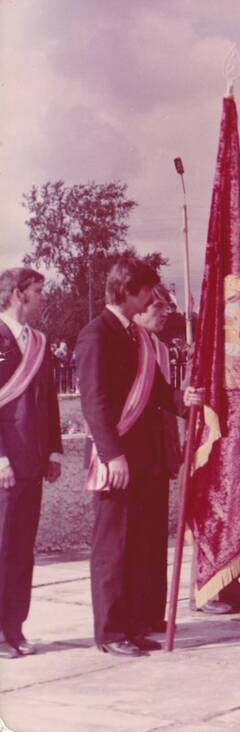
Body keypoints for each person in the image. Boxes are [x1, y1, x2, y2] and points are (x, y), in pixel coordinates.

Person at [77, 257, 203, 657]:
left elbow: (159, 393)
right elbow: (94, 402)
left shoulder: (137, 337)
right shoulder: (97, 334)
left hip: (144, 459)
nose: (152, 297)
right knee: (113, 547)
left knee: (136, 547)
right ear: (128, 291)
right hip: (116, 459)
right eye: (147, 291)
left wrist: (186, 401)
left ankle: (131, 625)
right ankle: (110, 632)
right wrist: (112, 455)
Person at [0, 268, 62, 659]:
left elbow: (49, 400)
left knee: (23, 549)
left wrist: (54, 450)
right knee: (1, 548)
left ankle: (14, 629)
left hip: (34, 462)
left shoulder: (39, 342)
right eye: (38, 291)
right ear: (18, 294)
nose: (43, 297)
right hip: (5, 465)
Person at [131, 284, 183, 635]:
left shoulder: (161, 348)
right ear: (137, 310)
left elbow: (166, 400)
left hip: (160, 454)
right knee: (136, 543)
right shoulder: (130, 346)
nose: (164, 313)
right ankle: (134, 615)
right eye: (157, 307)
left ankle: (152, 612)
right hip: (135, 457)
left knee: (155, 542)